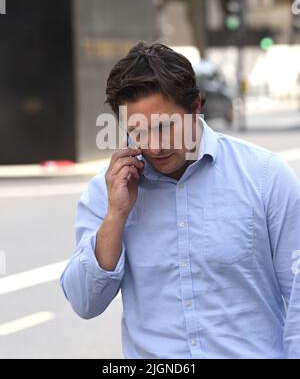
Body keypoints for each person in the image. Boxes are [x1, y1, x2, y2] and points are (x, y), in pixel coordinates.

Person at [60, 42, 300, 359]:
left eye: (165, 127)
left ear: (196, 107)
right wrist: (116, 216)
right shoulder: (106, 192)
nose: (154, 146)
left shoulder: (266, 177)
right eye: (138, 132)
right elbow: (84, 302)